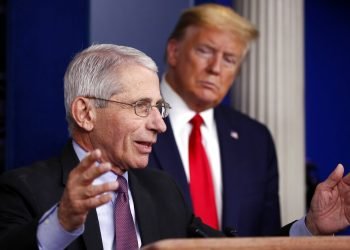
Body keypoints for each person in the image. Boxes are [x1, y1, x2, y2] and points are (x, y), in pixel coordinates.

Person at [0, 44, 349, 250]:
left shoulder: (162, 189)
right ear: (86, 112)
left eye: (160, 108)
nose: (159, 124)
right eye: (141, 107)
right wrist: (62, 221)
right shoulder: (23, 189)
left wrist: (311, 228)